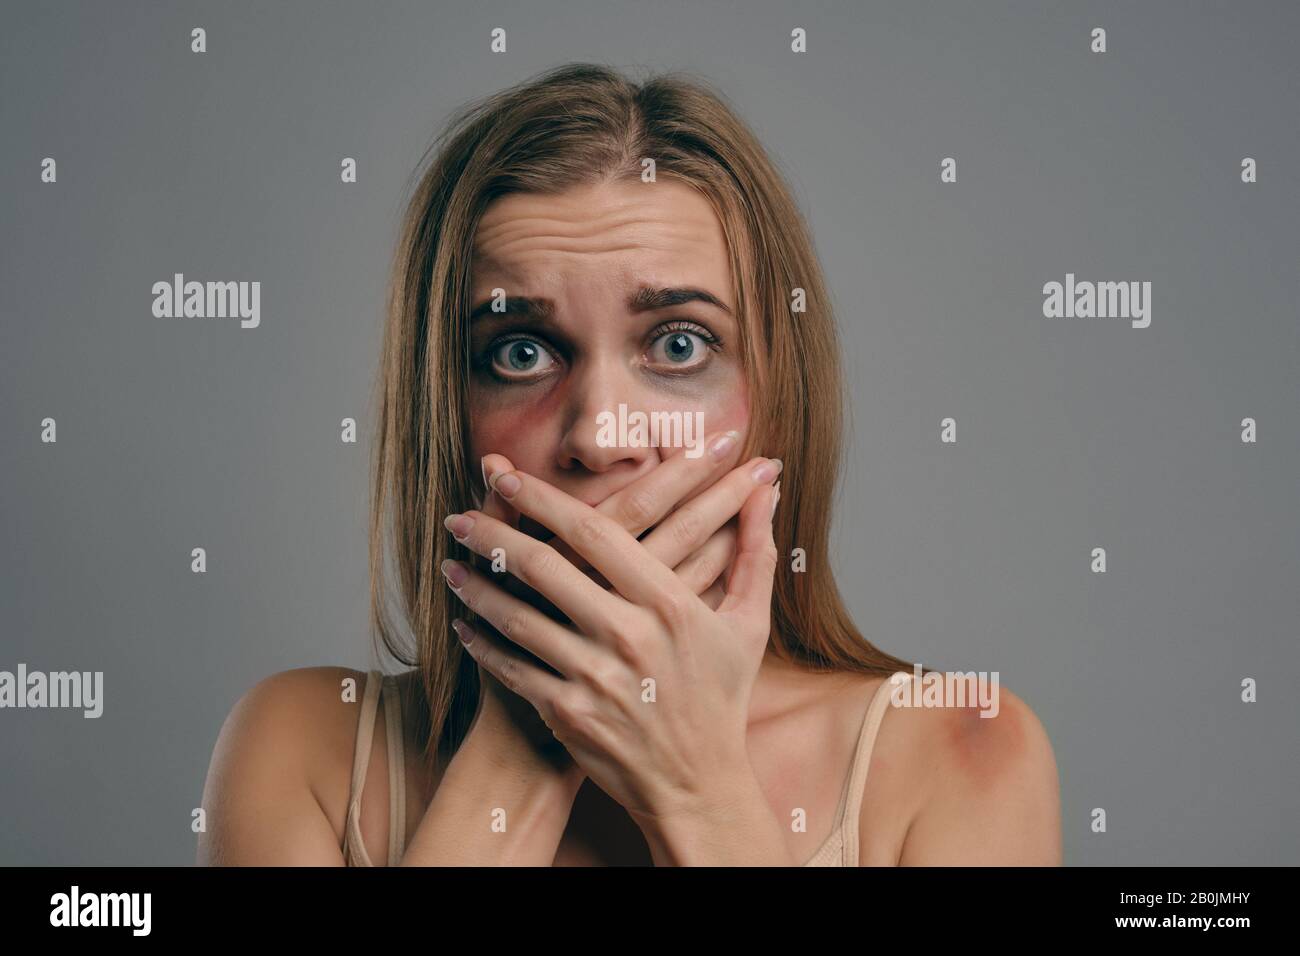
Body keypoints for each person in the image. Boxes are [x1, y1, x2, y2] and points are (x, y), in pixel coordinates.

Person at [197, 63, 1061, 866]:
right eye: (521, 353)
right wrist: (530, 742)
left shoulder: (962, 751)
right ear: (445, 415)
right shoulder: (300, 749)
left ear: (775, 399)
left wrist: (696, 789)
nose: (602, 436)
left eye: (678, 345)